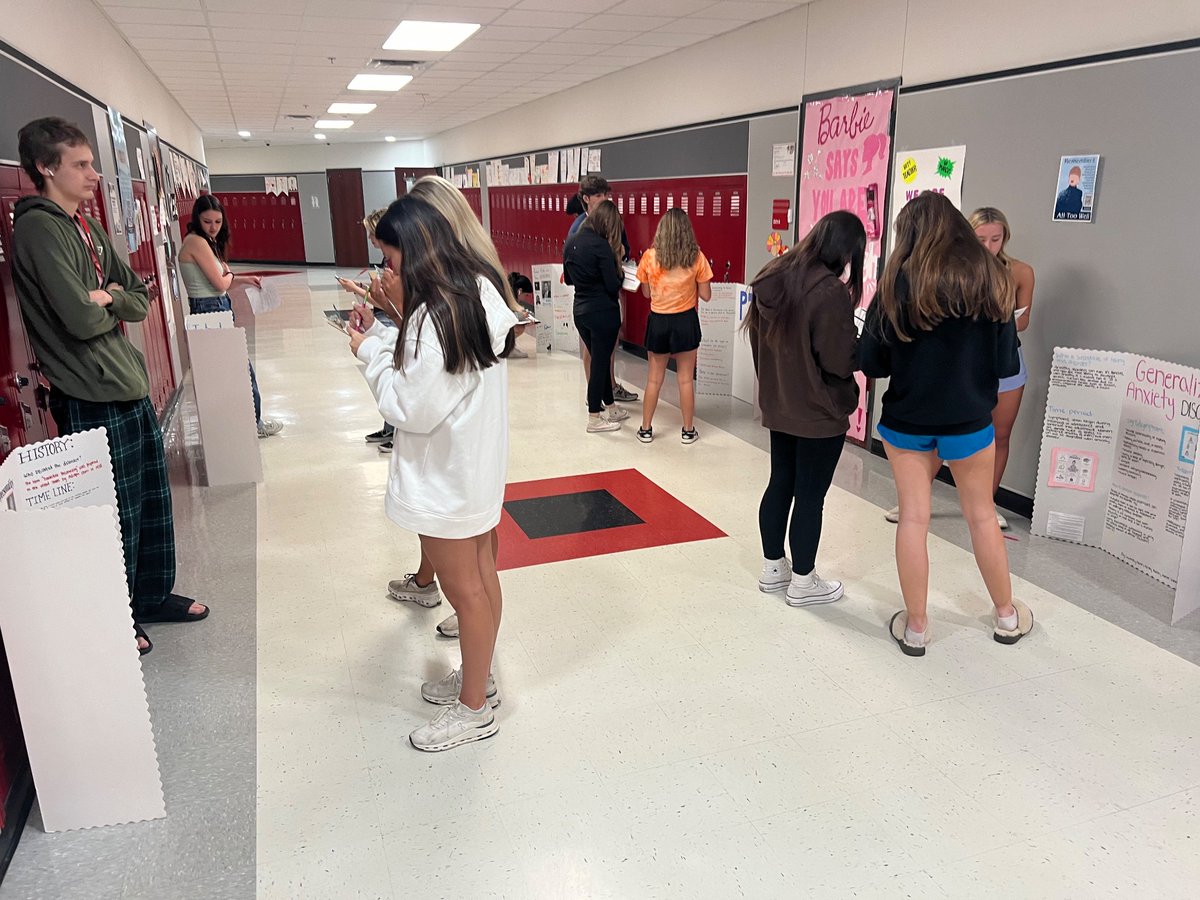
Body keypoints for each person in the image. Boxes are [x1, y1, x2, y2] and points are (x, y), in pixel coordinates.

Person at [12, 117, 209, 656]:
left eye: (93, 163)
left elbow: (139, 295)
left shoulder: (88, 226)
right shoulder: (38, 228)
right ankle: (113, 611)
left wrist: (109, 297)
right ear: (46, 168)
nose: (94, 174)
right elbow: (77, 318)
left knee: (149, 499)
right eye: (81, 164)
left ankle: (149, 595)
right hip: (88, 393)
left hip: (126, 384)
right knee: (110, 514)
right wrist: (100, 300)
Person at [348, 194, 518, 751]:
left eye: (390, 258)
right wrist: (392, 323)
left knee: (463, 589)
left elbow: (408, 406)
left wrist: (369, 347)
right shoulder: (476, 291)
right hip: (473, 469)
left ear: (416, 251)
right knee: (482, 577)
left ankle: (474, 712)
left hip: (445, 478)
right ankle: (480, 679)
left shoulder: (435, 316)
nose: (386, 270)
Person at [859, 191, 1032, 657]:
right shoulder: (991, 283)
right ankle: (1007, 617)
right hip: (969, 422)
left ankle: (916, 628)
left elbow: (870, 362)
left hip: (907, 420)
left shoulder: (895, 284)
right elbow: (1002, 363)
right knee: (981, 517)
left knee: (913, 517)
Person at [882, 207, 1034, 530]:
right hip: (963, 369)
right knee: (941, 435)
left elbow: (1023, 319)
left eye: (997, 238)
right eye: (982, 238)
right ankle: (917, 497)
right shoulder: (948, 271)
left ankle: (986, 504)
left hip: (1000, 360)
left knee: (997, 435)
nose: (990, 245)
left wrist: (995, 324)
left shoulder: (1016, 272)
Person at [744, 211, 864, 606]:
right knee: (810, 496)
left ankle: (773, 569)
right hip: (818, 411)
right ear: (846, 250)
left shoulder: (774, 276)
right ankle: (803, 582)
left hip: (782, 404)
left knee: (781, 482)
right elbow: (838, 362)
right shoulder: (828, 292)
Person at [179, 194, 283, 437]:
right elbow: (220, 282)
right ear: (197, 219)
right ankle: (252, 424)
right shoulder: (196, 242)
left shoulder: (208, 242)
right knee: (240, 369)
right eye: (207, 222)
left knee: (232, 369)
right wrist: (228, 279)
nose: (213, 228)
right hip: (209, 309)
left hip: (217, 306)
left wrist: (246, 280)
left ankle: (242, 422)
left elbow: (226, 280)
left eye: (218, 222)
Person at [634, 208, 712, 444]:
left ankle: (646, 429)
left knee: (654, 379)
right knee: (686, 379)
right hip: (686, 320)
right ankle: (688, 431)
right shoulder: (697, 257)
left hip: (659, 320)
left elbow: (646, 293)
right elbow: (706, 295)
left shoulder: (649, 257)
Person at [566, 176, 637, 404]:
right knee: (592, 348)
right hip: (592, 297)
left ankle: (610, 388)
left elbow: (625, 248)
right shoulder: (579, 228)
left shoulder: (613, 221)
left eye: (606, 195)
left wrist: (619, 256)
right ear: (586, 199)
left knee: (608, 344)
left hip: (607, 296)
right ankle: (593, 392)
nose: (604, 199)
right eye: (599, 195)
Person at [564, 199, 627, 433]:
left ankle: (611, 408)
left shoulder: (571, 241)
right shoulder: (601, 247)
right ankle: (594, 418)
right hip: (603, 313)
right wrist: (617, 261)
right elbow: (613, 286)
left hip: (581, 311)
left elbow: (569, 279)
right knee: (601, 365)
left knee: (598, 359)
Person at [338, 208, 394, 450]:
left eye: (373, 235)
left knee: (392, 367)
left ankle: (395, 432)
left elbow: (388, 301)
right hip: (385, 320)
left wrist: (357, 290)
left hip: (390, 319)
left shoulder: (398, 261)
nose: (371, 241)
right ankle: (390, 427)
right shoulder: (389, 260)